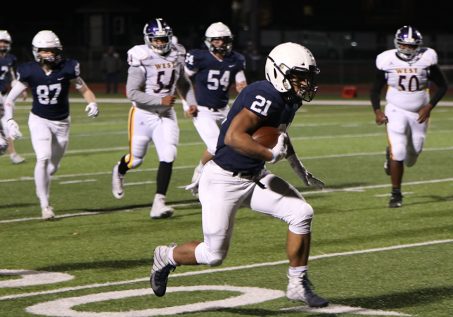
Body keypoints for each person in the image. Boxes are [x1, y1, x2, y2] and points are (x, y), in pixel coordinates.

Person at [149, 42, 328, 308]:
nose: (304, 83)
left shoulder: (289, 99)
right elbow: (234, 137)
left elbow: (279, 136)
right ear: (280, 72)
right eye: (299, 76)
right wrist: (270, 156)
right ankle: (166, 256)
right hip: (223, 180)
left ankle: (297, 284)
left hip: (255, 177)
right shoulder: (264, 93)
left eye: (307, 77)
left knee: (302, 213)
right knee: (213, 255)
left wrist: (299, 169)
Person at [3, 30, 99, 220]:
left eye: (52, 50)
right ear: (37, 52)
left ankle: (43, 187)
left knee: (52, 167)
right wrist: (10, 120)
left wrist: (93, 102)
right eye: (45, 51)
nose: (49, 54)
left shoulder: (68, 67)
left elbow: (85, 89)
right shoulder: (29, 70)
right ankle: (45, 205)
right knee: (43, 158)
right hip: (39, 119)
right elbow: (9, 100)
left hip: (62, 122)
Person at [111, 18, 197, 219]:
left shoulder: (178, 53)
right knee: (136, 159)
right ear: (148, 39)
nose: (159, 43)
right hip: (142, 114)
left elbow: (183, 82)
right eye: (156, 39)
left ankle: (159, 202)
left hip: (166, 113)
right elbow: (131, 93)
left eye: (163, 39)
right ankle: (120, 169)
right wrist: (160, 99)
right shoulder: (141, 56)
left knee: (169, 154)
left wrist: (190, 102)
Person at [370, 26, 448, 208]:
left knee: (412, 157)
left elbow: (443, 86)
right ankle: (396, 194)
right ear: (397, 44)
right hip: (395, 109)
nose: (408, 49)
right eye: (404, 45)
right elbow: (375, 89)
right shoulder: (387, 60)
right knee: (399, 150)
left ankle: (390, 159)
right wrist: (377, 110)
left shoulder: (427, 58)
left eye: (412, 46)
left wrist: (429, 106)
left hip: (419, 111)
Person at [183, 22, 247, 196]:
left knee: (237, 143)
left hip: (224, 109)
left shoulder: (236, 59)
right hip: (202, 109)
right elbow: (183, 80)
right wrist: (187, 103)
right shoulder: (199, 57)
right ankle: (200, 172)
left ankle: (229, 181)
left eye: (224, 40)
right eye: (217, 40)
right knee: (215, 146)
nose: (221, 43)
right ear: (209, 41)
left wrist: (242, 87)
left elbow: (241, 82)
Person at [0, 30, 27, 164]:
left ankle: (12, 153)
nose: (3, 44)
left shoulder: (11, 58)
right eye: (1, 41)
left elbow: (13, 77)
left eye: (5, 42)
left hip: (5, 96)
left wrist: (20, 90)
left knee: (8, 123)